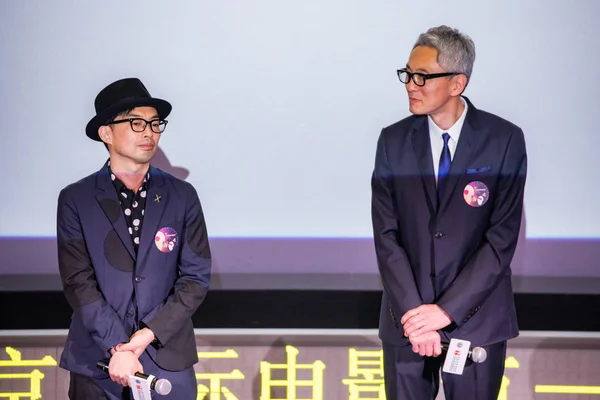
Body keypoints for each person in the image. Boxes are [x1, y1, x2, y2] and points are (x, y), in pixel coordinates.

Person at [371, 25, 527, 399]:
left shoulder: (503, 140)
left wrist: (445, 312)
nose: (411, 84)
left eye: (422, 76)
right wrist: (417, 317)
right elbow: (386, 236)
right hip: (406, 322)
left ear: (457, 83)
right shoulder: (392, 141)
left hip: (476, 321)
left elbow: (500, 241)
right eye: (407, 74)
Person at [57, 77, 211, 399]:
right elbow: (77, 281)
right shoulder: (77, 198)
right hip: (97, 362)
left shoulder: (181, 196)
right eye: (136, 122)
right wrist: (119, 345)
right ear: (106, 133)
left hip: (166, 356)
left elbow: (196, 277)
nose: (149, 132)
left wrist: (145, 336)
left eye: (155, 124)